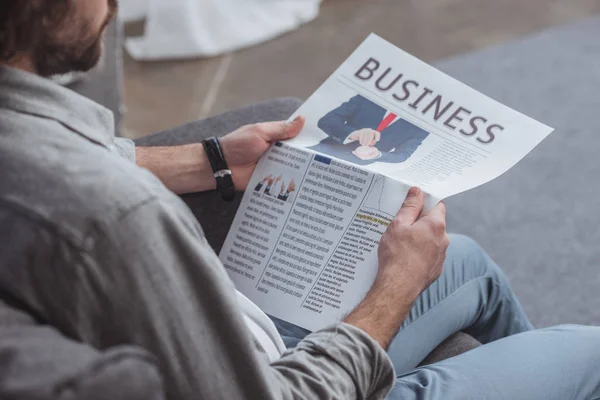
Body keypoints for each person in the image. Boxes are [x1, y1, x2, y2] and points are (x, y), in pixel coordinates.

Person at [1, 1, 600, 400]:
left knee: (466, 262)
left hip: (243, 340)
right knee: (587, 350)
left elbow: (57, 157)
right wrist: (392, 294)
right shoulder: (112, 219)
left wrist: (205, 159)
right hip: (281, 380)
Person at [309, 94, 429, 166]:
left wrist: (378, 154)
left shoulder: (420, 129)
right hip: (323, 152)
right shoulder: (368, 99)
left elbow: (402, 155)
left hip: (357, 170)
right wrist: (354, 134)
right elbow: (327, 120)